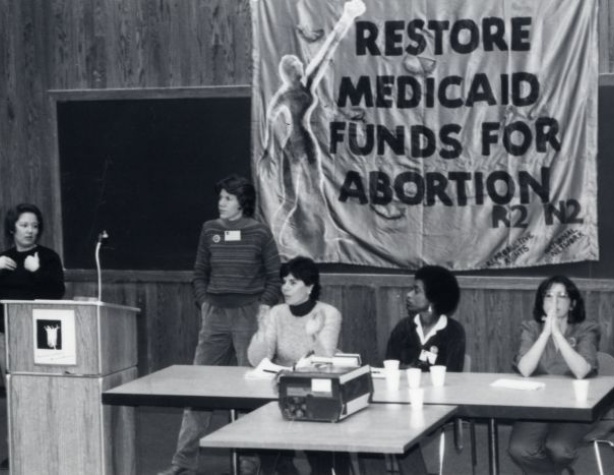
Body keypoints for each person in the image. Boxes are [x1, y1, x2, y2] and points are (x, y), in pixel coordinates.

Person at [160, 175, 282, 475]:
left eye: (227, 198)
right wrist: (204, 302)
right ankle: (183, 463)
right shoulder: (209, 229)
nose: (221, 203)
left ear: (242, 201)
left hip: (248, 315)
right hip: (214, 315)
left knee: (250, 390)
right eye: (220, 198)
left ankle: (249, 463)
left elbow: (275, 276)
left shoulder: (260, 233)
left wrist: (263, 306)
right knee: (199, 390)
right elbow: (200, 271)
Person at [256, 0, 365, 257]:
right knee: (291, 198)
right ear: (289, 73)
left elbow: (328, 50)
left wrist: (347, 17)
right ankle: (273, 240)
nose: (302, 67)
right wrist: (268, 150)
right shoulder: (285, 93)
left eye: (300, 65)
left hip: (305, 140)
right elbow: (270, 119)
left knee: (317, 188)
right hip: (293, 145)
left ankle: (331, 232)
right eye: (297, 66)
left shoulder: (305, 86)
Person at [0, 203, 65, 471]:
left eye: (35, 226)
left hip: (39, 335)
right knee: (14, 394)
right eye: (25, 225)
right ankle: (17, 449)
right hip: (7, 334)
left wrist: (36, 271)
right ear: (12, 228)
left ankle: (46, 448)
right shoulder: (2, 260)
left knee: (40, 393)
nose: (30, 231)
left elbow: (56, 293)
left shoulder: (47, 258)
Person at [248, 256, 346, 475]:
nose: (285, 288)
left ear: (309, 286)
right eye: (284, 282)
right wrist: (262, 330)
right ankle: (282, 469)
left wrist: (313, 336)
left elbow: (325, 359)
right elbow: (256, 360)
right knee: (263, 421)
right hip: (283, 386)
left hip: (318, 387)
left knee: (313, 421)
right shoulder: (277, 312)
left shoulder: (329, 313)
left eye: (293, 282)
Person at [507, 275, 601, 475]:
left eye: (562, 296)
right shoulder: (531, 328)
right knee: (520, 449)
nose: (554, 302)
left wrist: (557, 333)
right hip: (538, 405)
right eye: (548, 296)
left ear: (573, 303)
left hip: (576, 406)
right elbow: (525, 369)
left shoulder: (586, 329)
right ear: (542, 302)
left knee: (559, 449)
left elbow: (581, 370)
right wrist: (545, 334)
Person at [385, 265, 465, 372]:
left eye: (417, 291)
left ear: (433, 297)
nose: (409, 295)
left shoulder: (453, 331)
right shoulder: (403, 328)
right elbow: (391, 365)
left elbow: (453, 374)